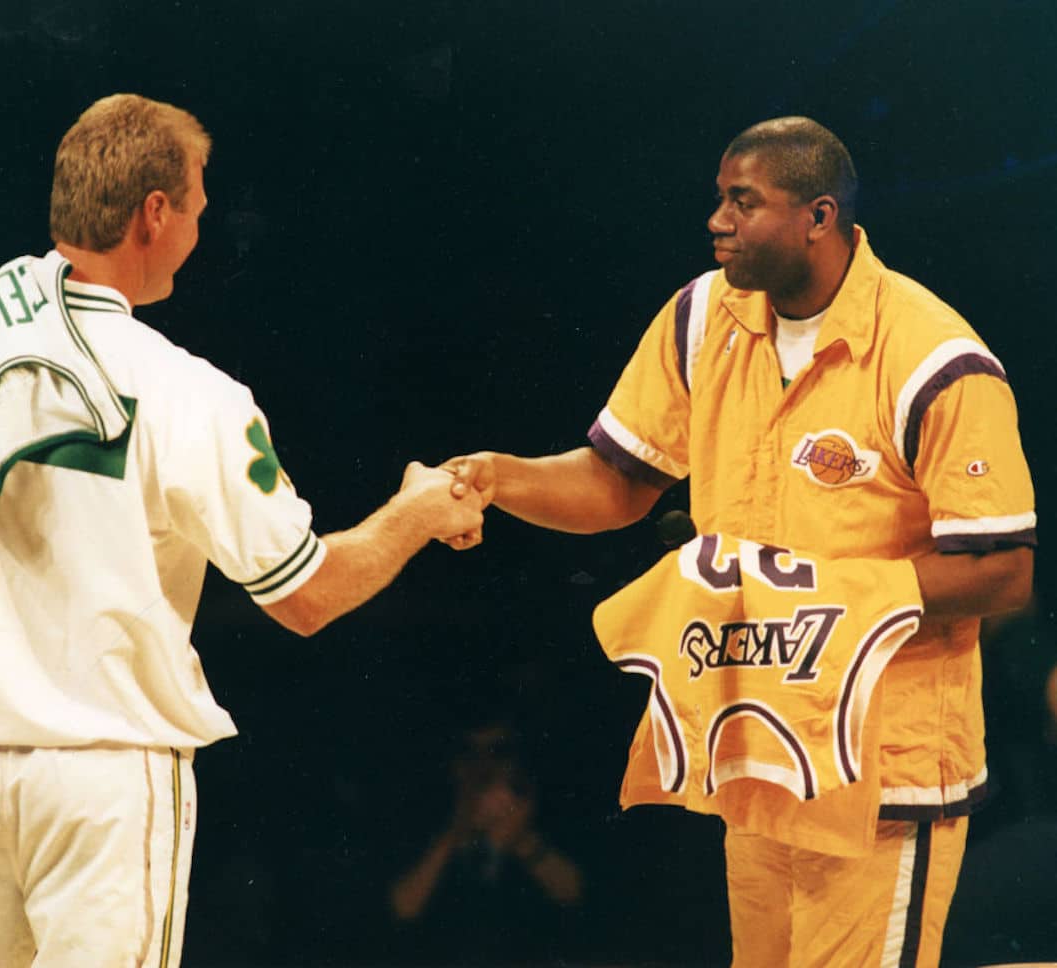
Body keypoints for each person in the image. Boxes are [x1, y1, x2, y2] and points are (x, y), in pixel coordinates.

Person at [0, 93, 483, 967]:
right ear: (155, 214)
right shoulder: (188, 392)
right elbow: (306, 596)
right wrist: (416, 517)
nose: (202, 231)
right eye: (199, 210)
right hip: (102, 783)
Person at [441, 117, 1036, 967]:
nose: (717, 219)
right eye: (720, 197)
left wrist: (832, 598)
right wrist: (500, 477)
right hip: (762, 753)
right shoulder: (700, 318)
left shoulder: (934, 356)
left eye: (742, 201)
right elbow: (617, 484)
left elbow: (1005, 570)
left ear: (818, 217)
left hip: (885, 773)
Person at [388, 722, 584, 964]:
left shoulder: (545, 810)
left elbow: (576, 896)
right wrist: (452, 836)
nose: (483, 765)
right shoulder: (422, 815)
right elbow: (400, 910)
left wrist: (523, 840)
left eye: (498, 751)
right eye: (469, 751)